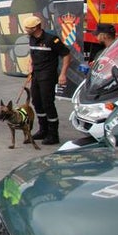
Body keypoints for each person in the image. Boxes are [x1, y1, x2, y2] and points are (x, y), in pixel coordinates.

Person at [23, 14, 70, 145]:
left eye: (28, 28)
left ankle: (53, 134)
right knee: (37, 102)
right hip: (36, 75)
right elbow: (33, 54)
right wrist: (30, 65)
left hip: (48, 76)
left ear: (36, 27)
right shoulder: (31, 39)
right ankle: (43, 130)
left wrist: (63, 74)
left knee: (47, 103)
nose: (26, 30)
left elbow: (66, 55)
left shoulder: (51, 39)